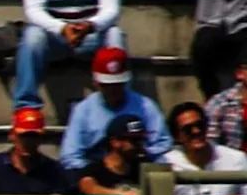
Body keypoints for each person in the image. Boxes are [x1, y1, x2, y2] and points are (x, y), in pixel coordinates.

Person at [62, 45, 171, 173]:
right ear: (95, 82)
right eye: (106, 85)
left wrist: (138, 151)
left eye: (117, 84)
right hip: (96, 176)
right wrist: (97, 172)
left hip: (137, 173)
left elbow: (163, 144)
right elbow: (70, 157)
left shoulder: (146, 107)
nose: (112, 90)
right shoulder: (83, 110)